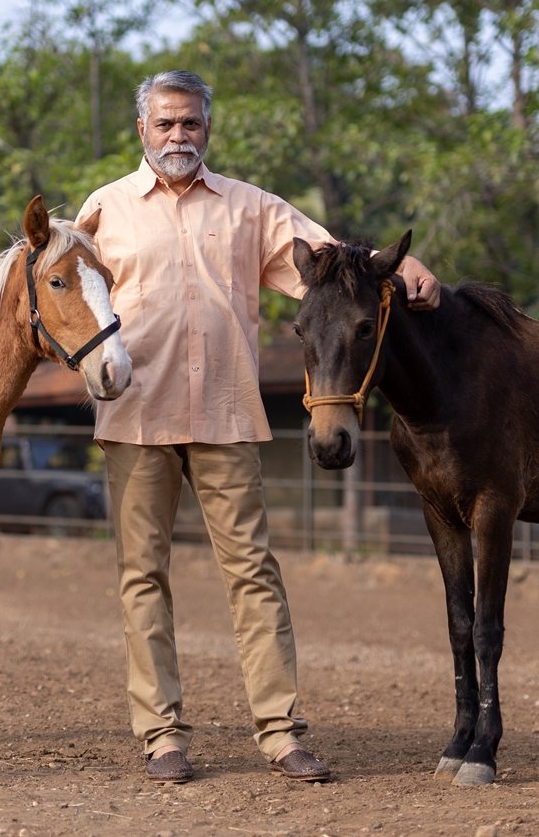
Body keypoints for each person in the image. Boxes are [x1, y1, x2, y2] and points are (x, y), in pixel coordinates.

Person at [75, 70, 441, 784]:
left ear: (207, 128)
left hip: (225, 409)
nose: (178, 136)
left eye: (190, 124)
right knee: (142, 575)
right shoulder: (103, 210)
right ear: (142, 129)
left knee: (253, 574)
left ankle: (279, 733)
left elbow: (341, 263)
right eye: (165, 124)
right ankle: (162, 737)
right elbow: (69, 291)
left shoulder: (253, 209)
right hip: (135, 413)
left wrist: (413, 266)